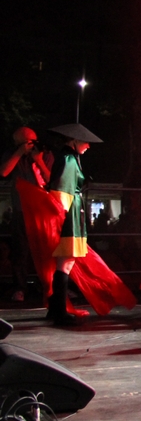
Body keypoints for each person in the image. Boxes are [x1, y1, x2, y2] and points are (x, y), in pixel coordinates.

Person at [18, 124, 135, 325]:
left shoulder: (67, 158)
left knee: (65, 262)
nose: (88, 146)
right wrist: (61, 218)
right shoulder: (69, 159)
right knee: (65, 262)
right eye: (85, 142)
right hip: (69, 215)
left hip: (71, 213)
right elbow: (62, 193)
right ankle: (58, 311)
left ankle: (57, 308)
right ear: (75, 141)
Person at [1, 127, 50, 303]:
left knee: (45, 251)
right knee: (20, 250)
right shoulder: (13, 155)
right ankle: (20, 287)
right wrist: (18, 153)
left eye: (33, 142)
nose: (31, 146)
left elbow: (52, 179)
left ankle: (46, 286)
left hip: (42, 211)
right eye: (26, 143)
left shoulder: (45, 155)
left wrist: (39, 160)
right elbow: (3, 172)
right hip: (21, 209)